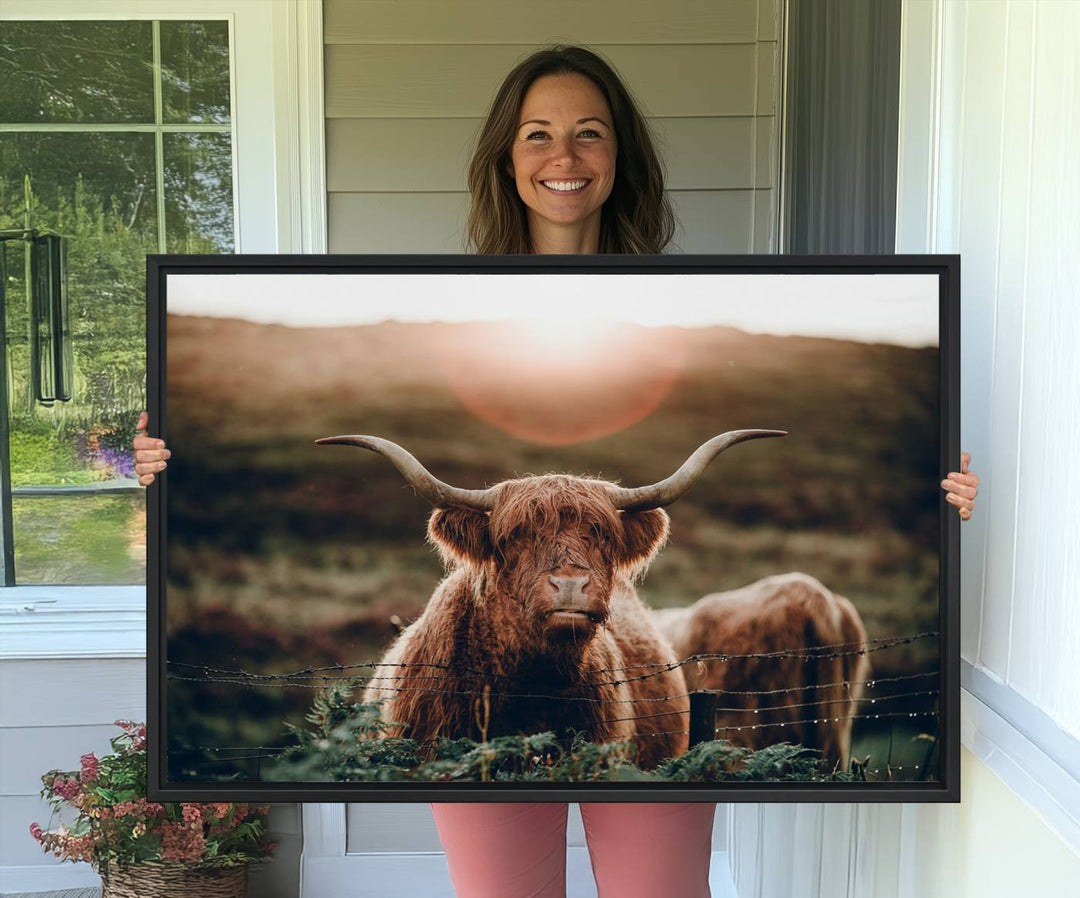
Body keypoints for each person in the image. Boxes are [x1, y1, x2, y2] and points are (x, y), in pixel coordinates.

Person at [133, 45, 980, 898]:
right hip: (472, 684)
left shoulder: (687, 297)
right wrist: (163, 468)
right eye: (538, 135)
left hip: (627, 699)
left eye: (590, 134)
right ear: (507, 157)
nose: (564, 157)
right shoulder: (440, 298)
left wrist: (943, 498)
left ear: (620, 157)